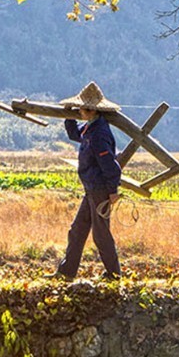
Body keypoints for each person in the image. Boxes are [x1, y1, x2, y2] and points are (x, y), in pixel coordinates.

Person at [55, 82, 123, 280]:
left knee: (101, 234)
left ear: (90, 110)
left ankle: (114, 274)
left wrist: (113, 190)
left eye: (80, 109)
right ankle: (67, 272)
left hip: (100, 189)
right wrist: (68, 115)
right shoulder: (89, 129)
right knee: (77, 231)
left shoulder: (99, 134)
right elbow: (74, 133)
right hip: (91, 188)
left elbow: (109, 164)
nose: (79, 112)